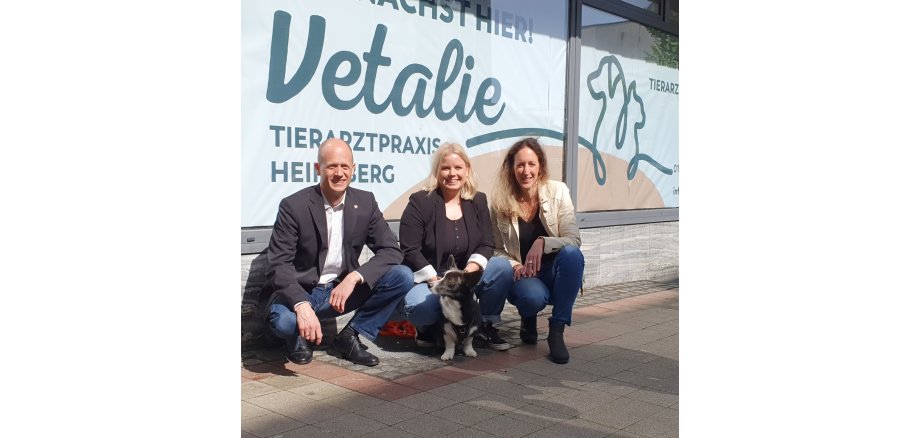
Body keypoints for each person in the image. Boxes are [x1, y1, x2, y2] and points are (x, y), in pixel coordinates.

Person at [265, 138, 414, 367]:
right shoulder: (293, 206)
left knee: (402, 276)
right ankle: (299, 336)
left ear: (353, 169)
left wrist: (355, 277)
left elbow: (391, 250)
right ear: (318, 169)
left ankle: (350, 336)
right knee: (284, 322)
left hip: (340, 292)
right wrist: (301, 306)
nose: (339, 173)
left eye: (345, 166)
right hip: (302, 290)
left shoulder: (365, 202)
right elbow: (278, 265)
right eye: (332, 166)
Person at [396, 142, 511, 351]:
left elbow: (487, 243)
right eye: (445, 167)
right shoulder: (420, 201)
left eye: (458, 167)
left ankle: (485, 325)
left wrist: (468, 273)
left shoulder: (478, 200)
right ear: (437, 171)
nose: (452, 173)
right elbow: (409, 248)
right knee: (422, 308)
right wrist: (436, 280)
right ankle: (426, 329)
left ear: (467, 170)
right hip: (431, 278)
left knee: (502, 268)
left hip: (463, 277)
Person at [484, 137, 585, 364]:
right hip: (525, 274)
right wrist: (515, 265)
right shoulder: (500, 202)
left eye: (531, 164)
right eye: (520, 164)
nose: (526, 170)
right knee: (532, 298)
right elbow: (496, 249)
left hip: (553, 270)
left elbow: (573, 239)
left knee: (572, 255)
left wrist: (543, 241)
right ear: (511, 168)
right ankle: (527, 316)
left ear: (540, 166)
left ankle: (556, 330)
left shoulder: (558, 191)